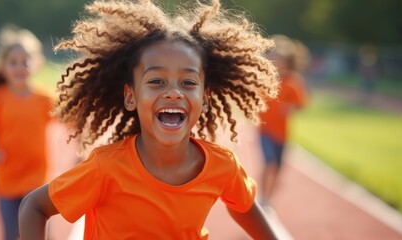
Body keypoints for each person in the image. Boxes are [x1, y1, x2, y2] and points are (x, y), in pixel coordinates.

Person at [19, 0, 280, 239]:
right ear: (131, 96)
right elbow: (34, 206)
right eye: (156, 81)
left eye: (188, 82)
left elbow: (244, 207)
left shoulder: (222, 166)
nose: (174, 92)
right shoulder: (106, 168)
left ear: (206, 98)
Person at [0, 26, 52, 240]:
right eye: (13, 62)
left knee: (39, 232)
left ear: (36, 63)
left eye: (25, 61)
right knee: (10, 234)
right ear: (3, 67)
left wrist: (81, 147)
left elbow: (72, 122)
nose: (19, 67)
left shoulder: (44, 99)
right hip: (6, 178)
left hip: (37, 177)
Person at [258, 35, 308, 207]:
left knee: (278, 168)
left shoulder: (293, 83)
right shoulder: (265, 80)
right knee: (268, 162)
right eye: (273, 59)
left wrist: (290, 108)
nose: (276, 63)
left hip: (282, 133)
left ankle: (268, 199)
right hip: (264, 131)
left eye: (279, 60)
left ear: (287, 62)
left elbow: (301, 105)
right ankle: (263, 197)